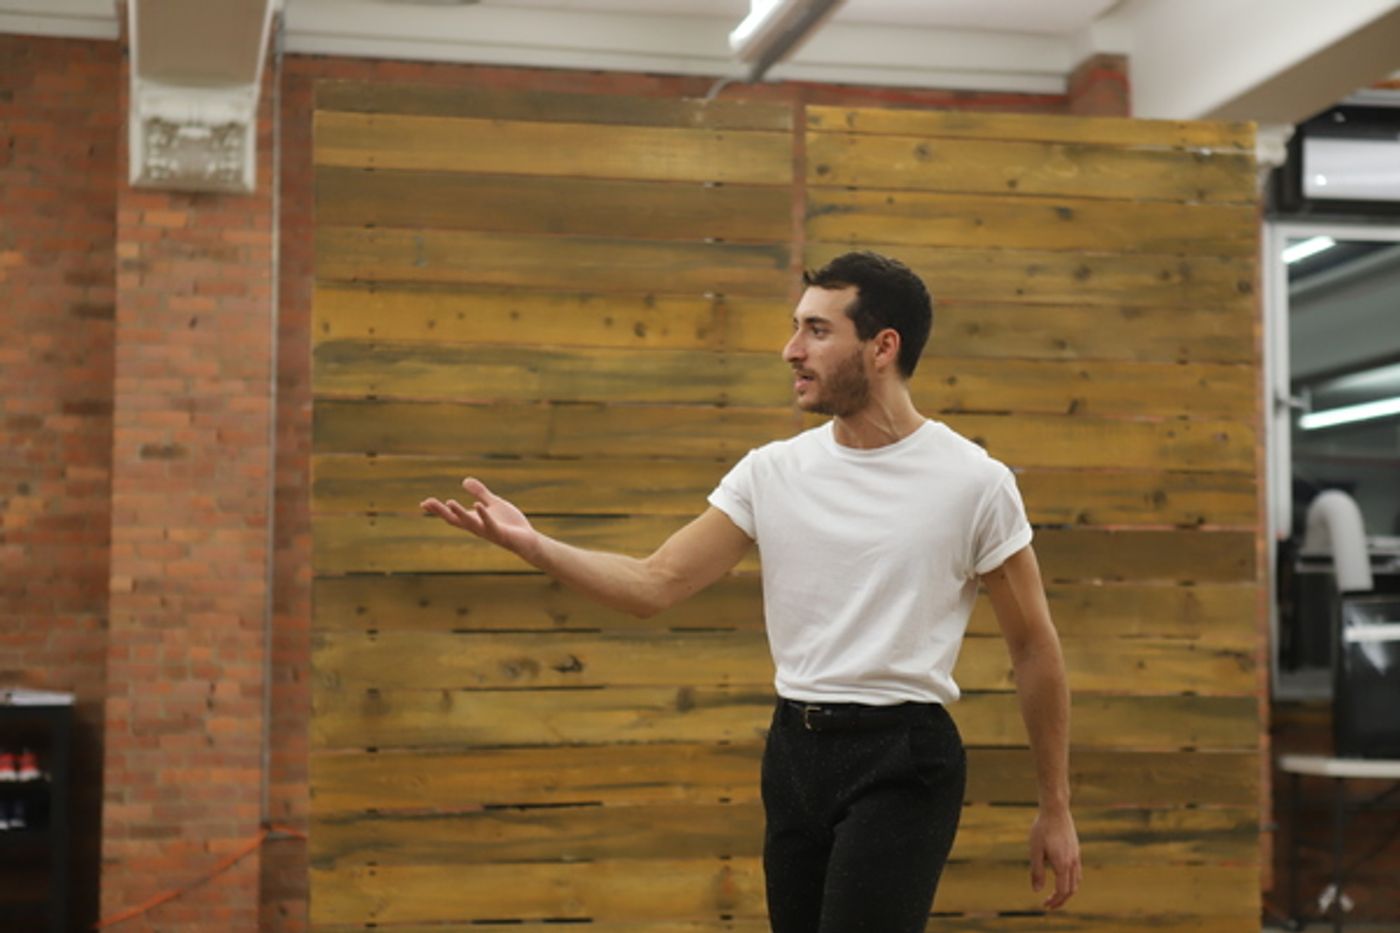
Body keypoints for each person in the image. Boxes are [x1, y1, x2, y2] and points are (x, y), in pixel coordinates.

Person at [421, 251, 1082, 931]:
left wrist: (1054, 806)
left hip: (903, 757)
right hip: (794, 753)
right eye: (796, 328)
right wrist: (535, 546)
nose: (791, 350)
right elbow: (655, 583)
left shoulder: (973, 482)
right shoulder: (771, 473)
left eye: (818, 331)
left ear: (883, 346)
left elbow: (1034, 647)